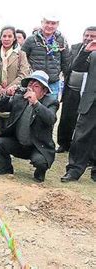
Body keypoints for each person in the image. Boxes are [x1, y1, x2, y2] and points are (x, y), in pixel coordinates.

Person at [0, 70, 59, 182]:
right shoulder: (19, 98)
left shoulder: (51, 102)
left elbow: (51, 119)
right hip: (18, 143)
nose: (31, 88)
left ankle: (39, 174)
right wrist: (7, 95)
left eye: (36, 86)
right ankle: (5, 168)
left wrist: (36, 103)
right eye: (30, 84)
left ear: (44, 91)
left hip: (38, 147)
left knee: (41, 162)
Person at [0, 26, 31, 163]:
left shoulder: (21, 55)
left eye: (9, 36)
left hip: (14, 94)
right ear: (0, 37)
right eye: (4, 36)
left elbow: (23, 74)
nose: (6, 39)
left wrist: (10, 88)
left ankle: (6, 152)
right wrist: (0, 89)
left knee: (9, 124)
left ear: (14, 38)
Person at [61, 37, 96, 182]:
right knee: (81, 137)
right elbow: (76, 67)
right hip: (90, 102)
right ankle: (74, 170)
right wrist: (86, 51)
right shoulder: (93, 54)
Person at [56, 26, 96, 153]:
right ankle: (64, 143)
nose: (88, 38)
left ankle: (86, 151)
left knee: (85, 122)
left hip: (89, 93)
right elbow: (69, 65)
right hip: (72, 88)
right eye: (87, 35)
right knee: (67, 117)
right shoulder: (74, 48)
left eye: (92, 36)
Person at [22, 15, 71, 99]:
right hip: (35, 82)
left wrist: (66, 80)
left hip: (53, 82)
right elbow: (22, 59)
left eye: (53, 23)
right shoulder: (31, 40)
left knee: (50, 109)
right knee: (31, 108)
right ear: (42, 23)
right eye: (47, 22)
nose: (50, 26)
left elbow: (65, 63)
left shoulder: (62, 41)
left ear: (57, 25)